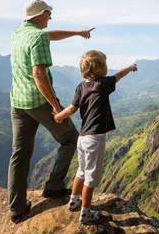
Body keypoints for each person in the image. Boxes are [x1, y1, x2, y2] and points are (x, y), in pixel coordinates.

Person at [8, 0, 95, 224]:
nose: (50, 17)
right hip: (39, 102)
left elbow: (50, 35)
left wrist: (77, 33)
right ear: (39, 15)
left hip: (18, 102)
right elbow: (39, 74)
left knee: (19, 154)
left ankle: (17, 209)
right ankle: (54, 186)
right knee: (71, 139)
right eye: (48, 13)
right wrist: (56, 106)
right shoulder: (37, 37)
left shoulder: (19, 33)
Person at [54, 50, 138, 223]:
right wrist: (131, 68)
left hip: (82, 138)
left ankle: (73, 201)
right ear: (101, 68)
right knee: (90, 178)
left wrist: (58, 117)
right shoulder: (103, 84)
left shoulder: (80, 86)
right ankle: (85, 212)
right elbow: (120, 74)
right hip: (95, 139)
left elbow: (71, 109)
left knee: (81, 171)